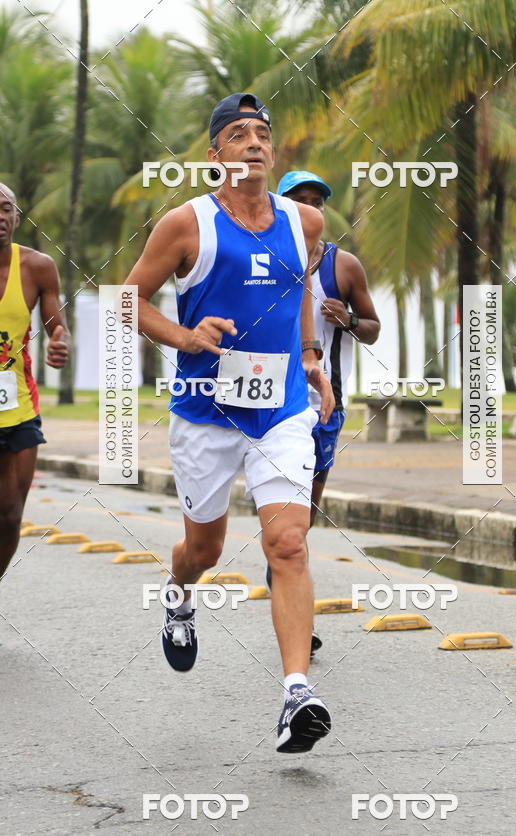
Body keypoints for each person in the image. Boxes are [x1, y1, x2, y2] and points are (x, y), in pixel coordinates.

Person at [124, 94, 335, 754]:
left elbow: (300, 291)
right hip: (205, 416)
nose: (254, 143)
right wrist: (184, 336)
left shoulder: (305, 222)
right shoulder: (185, 225)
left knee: (289, 545)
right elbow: (128, 301)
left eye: (263, 134)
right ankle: (179, 596)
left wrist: (310, 358)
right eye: (238, 135)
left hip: (281, 410)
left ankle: (296, 692)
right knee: (204, 551)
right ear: (214, 154)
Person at [276, 171, 380, 524]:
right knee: (277, 501)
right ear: (280, 207)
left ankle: (283, 573)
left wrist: (349, 320)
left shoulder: (344, 266)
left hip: (325, 403)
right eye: (298, 202)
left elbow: (373, 329)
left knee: (305, 513)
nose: (309, 209)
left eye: (316, 203)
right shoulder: (261, 260)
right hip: (272, 401)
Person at [0, 183, 70, 581]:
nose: (0, 216)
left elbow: (56, 326)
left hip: (17, 406)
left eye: (6, 208)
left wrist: (61, 343)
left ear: (17, 216)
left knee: (10, 516)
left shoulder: (36, 267)